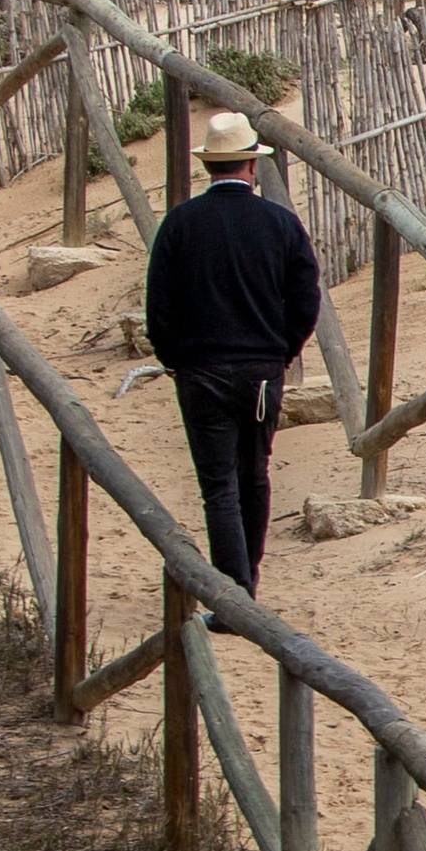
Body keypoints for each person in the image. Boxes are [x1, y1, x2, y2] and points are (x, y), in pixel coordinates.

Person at [143, 108, 322, 596]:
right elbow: (307, 300)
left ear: (209, 167)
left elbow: (158, 305)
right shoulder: (280, 224)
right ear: (250, 165)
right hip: (261, 368)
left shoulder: (180, 224)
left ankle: (234, 591)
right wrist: (282, 351)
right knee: (254, 473)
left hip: (201, 369)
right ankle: (249, 578)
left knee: (219, 484)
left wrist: (174, 357)